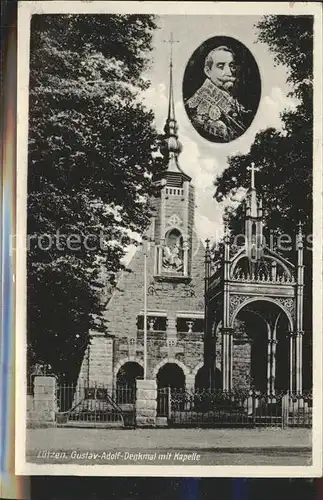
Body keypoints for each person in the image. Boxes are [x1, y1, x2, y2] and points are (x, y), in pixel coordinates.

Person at [185, 45, 251, 142]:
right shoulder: (195, 109)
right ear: (208, 71)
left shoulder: (234, 101)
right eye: (221, 67)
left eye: (232, 66)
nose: (229, 72)